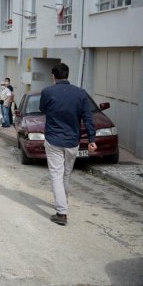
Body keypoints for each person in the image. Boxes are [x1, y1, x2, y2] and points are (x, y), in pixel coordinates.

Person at [40, 63, 97, 226]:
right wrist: (92, 140)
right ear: (67, 75)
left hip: (53, 139)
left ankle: (62, 212)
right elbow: (88, 118)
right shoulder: (81, 93)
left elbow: (42, 109)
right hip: (73, 141)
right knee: (66, 173)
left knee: (56, 174)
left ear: (53, 77)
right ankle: (62, 203)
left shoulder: (47, 92)